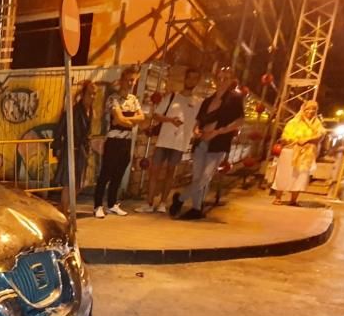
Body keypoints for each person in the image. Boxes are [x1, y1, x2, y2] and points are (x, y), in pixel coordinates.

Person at [170, 66, 244, 220]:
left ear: (231, 80)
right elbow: (198, 120)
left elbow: (240, 120)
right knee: (197, 177)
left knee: (205, 177)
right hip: (202, 142)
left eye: (226, 78)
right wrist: (196, 130)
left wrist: (220, 131)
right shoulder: (208, 100)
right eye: (220, 78)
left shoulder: (235, 99)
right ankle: (196, 208)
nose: (222, 81)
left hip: (218, 143)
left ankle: (180, 199)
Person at [135, 67, 202, 213]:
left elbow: (198, 122)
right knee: (154, 171)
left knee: (170, 172)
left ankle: (163, 203)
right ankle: (149, 202)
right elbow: (156, 115)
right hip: (164, 140)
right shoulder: (172, 96)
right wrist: (170, 120)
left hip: (180, 142)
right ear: (185, 79)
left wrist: (197, 131)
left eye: (195, 78)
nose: (191, 80)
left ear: (198, 81)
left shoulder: (198, 102)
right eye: (189, 77)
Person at [94, 66, 144, 218]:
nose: (131, 83)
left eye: (134, 80)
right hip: (113, 141)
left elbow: (141, 118)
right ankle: (97, 206)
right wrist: (129, 121)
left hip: (127, 142)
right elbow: (118, 119)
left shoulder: (133, 99)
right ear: (122, 80)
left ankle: (112, 204)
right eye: (129, 80)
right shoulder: (113, 98)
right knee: (105, 174)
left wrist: (126, 120)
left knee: (119, 174)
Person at [52, 80, 96, 214]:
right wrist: (57, 147)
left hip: (81, 150)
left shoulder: (90, 111)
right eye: (90, 94)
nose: (92, 97)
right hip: (72, 149)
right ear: (83, 94)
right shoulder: (74, 110)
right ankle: (63, 210)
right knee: (68, 183)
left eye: (94, 94)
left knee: (78, 183)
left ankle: (63, 209)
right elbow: (60, 128)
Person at [272, 100, 325, 206]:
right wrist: (296, 141)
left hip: (306, 155)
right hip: (289, 152)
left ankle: (293, 200)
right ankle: (278, 197)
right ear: (303, 109)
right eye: (308, 109)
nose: (310, 111)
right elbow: (285, 137)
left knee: (300, 177)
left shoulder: (317, 124)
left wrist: (307, 140)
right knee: (284, 174)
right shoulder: (293, 122)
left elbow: (321, 135)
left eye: (313, 109)